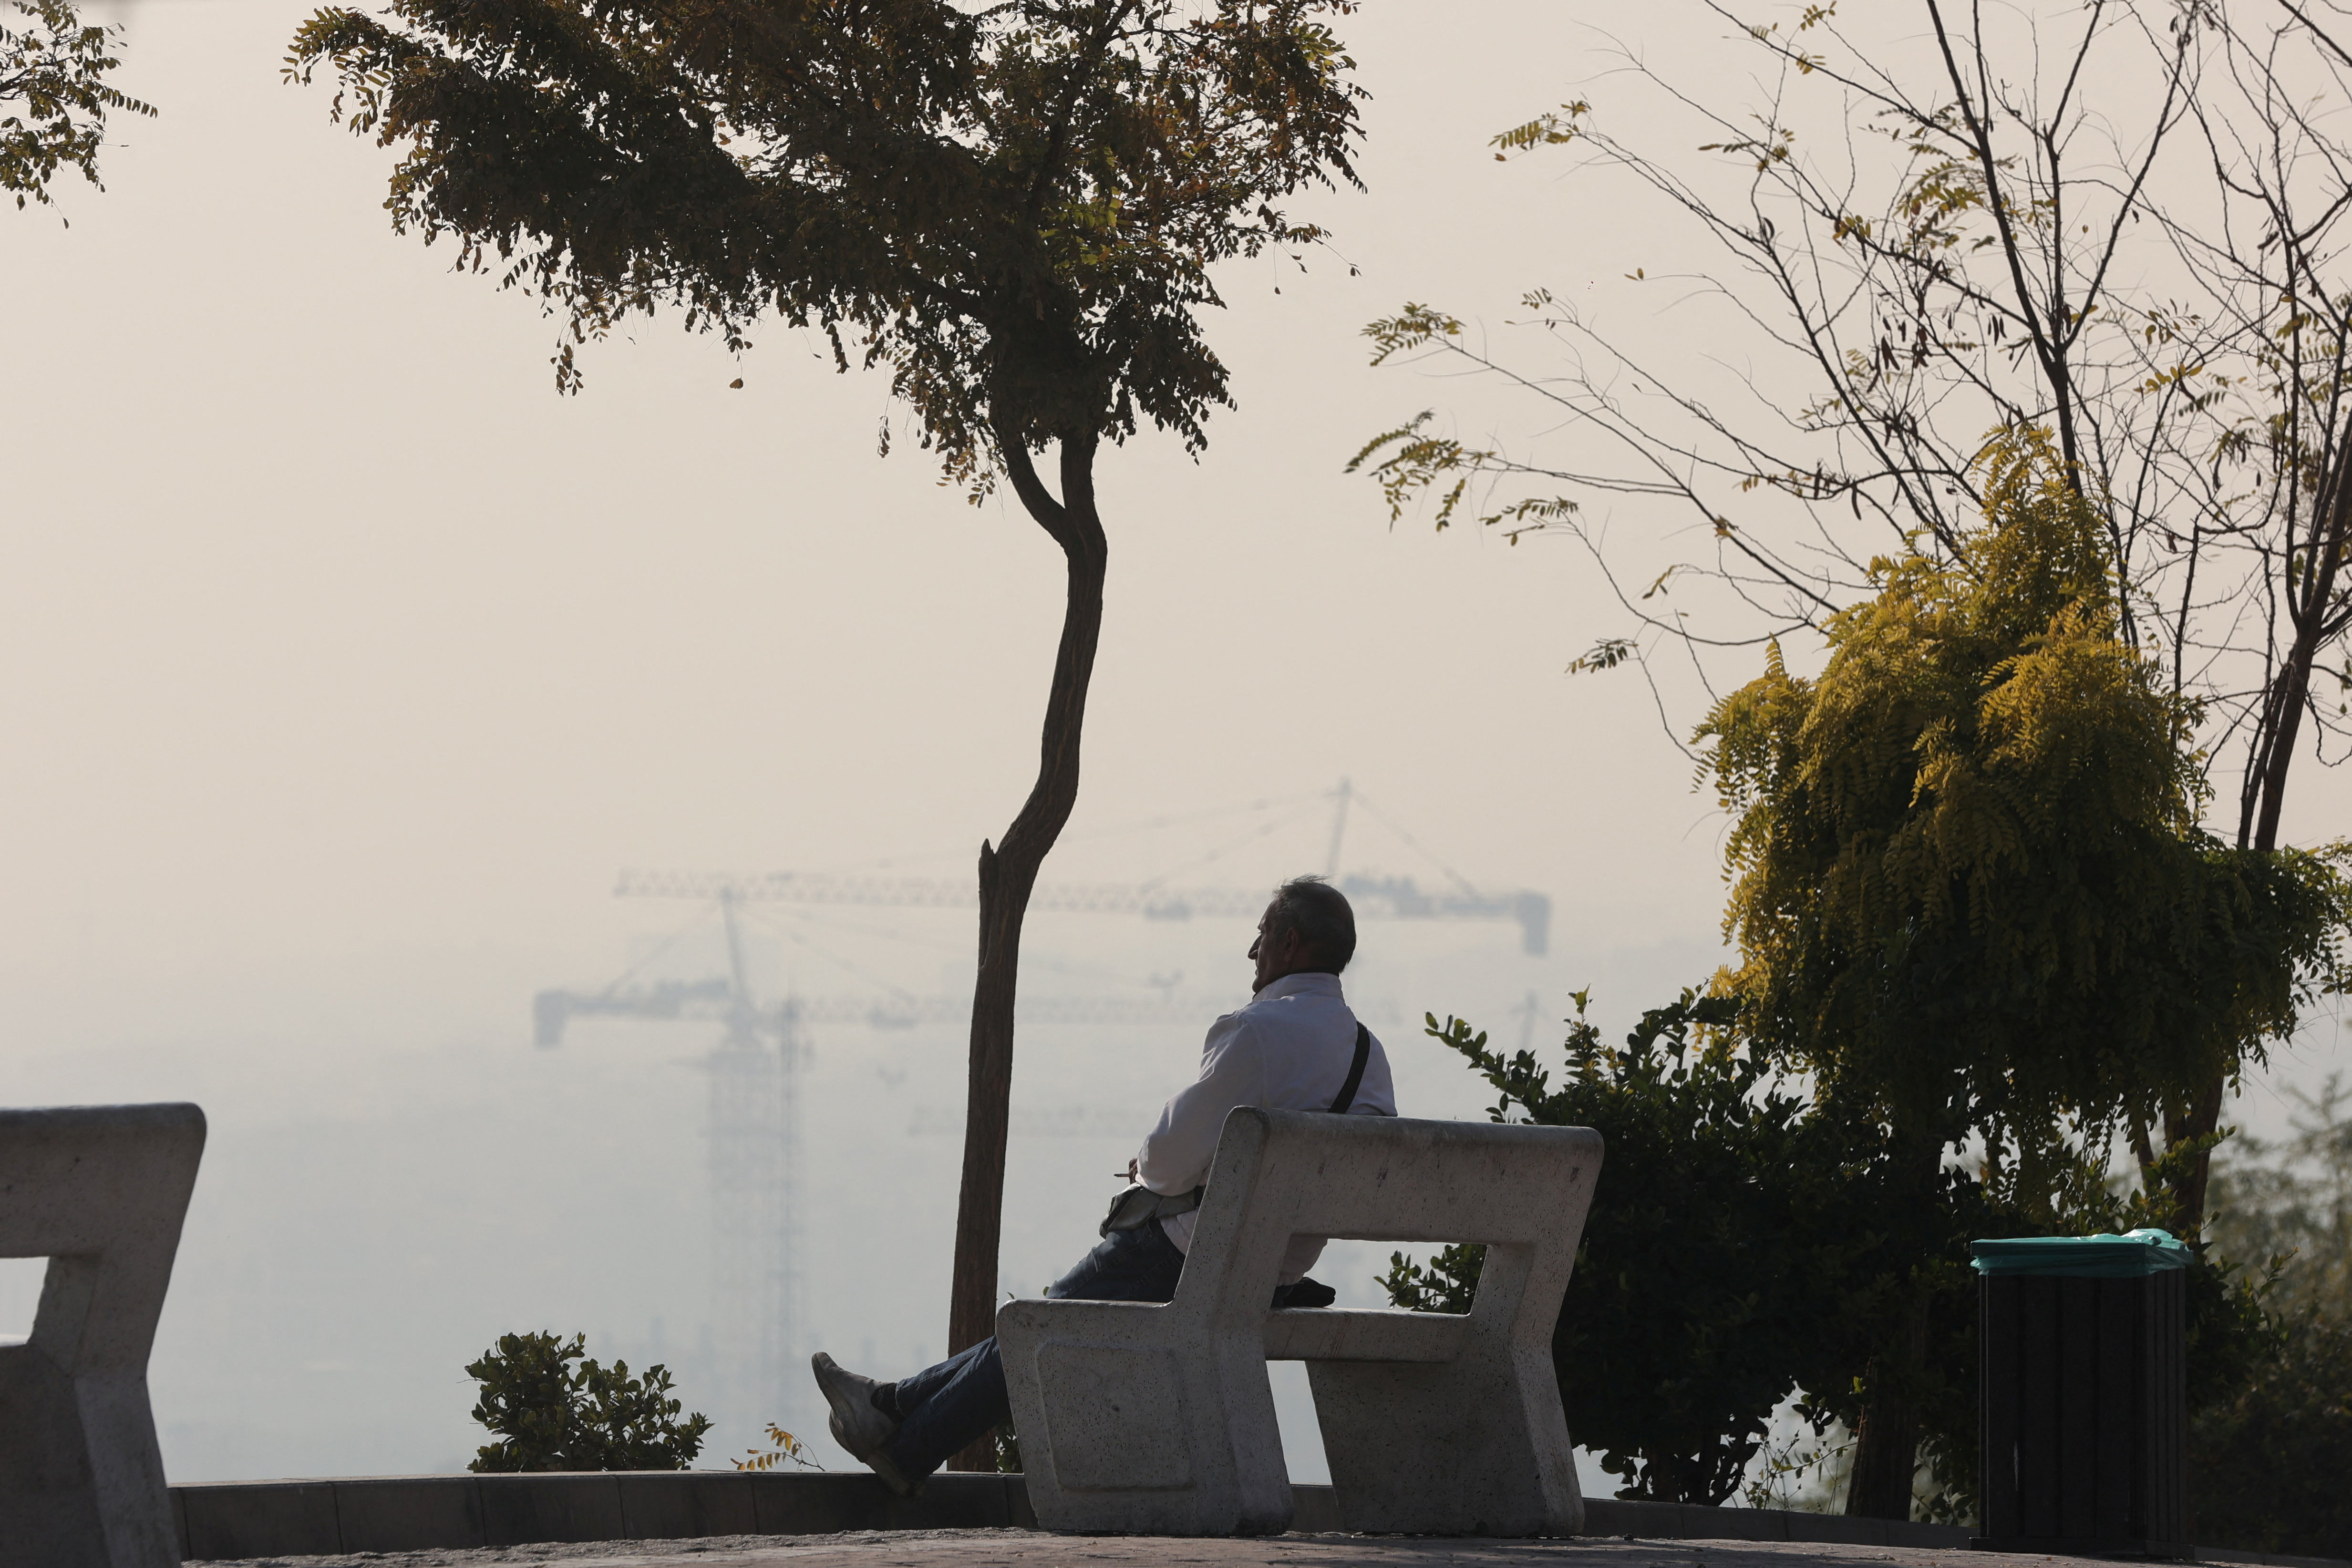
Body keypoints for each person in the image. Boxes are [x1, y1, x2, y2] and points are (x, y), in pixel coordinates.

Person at [809, 874, 1397, 1494]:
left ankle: (905, 1444)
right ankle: (892, 1409)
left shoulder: (1257, 1032)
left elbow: (1170, 1157)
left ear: (1290, 942)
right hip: (1279, 1274)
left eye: (1260, 936)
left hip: (1191, 1258)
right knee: (1041, 1318)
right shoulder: (1367, 1053)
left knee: (1036, 1326)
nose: (1252, 953)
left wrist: (1144, 1174)